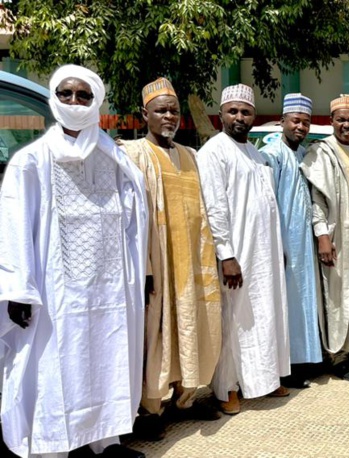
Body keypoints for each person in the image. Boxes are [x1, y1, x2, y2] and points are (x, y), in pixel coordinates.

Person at [0, 65, 147, 457]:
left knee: (107, 356)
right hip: (53, 290)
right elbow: (14, 225)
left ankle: (107, 439)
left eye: (83, 96)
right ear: (53, 97)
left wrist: (139, 274)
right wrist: (18, 288)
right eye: (66, 94)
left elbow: (134, 221)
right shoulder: (32, 160)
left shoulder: (115, 158)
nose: (74, 103)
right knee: (54, 362)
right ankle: (53, 445)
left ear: (96, 101)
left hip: (110, 287)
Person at [122, 77, 223, 440]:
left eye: (174, 111)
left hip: (194, 263)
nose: (169, 117)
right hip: (158, 263)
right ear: (144, 114)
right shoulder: (131, 154)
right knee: (157, 331)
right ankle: (150, 408)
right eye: (161, 110)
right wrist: (144, 267)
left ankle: (187, 397)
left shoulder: (191, 156)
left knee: (197, 324)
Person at [197, 84, 291, 414]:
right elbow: (215, 207)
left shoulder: (257, 154)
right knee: (233, 317)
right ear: (220, 114)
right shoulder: (213, 152)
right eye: (233, 111)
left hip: (264, 250)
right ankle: (227, 388)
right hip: (236, 253)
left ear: (254, 116)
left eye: (245, 112)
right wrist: (226, 254)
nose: (239, 117)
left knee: (267, 313)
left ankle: (264, 378)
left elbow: (267, 205)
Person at [301, 94, 349, 382]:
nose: (346, 124)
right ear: (330, 121)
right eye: (341, 119)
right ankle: (339, 357)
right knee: (338, 293)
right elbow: (317, 200)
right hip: (338, 238)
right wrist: (322, 235)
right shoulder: (323, 152)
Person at [260, 93, 323, 389]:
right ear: (283, 121)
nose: (300, 127)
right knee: (286, 304)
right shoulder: (272, 154)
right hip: (284, 241)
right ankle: (286, 367)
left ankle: (303, 360)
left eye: (305, 122)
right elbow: (268, 203)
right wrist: (276, 244)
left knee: (303, 301)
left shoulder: (303, 154)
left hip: (304, 243)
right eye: (296, 121)